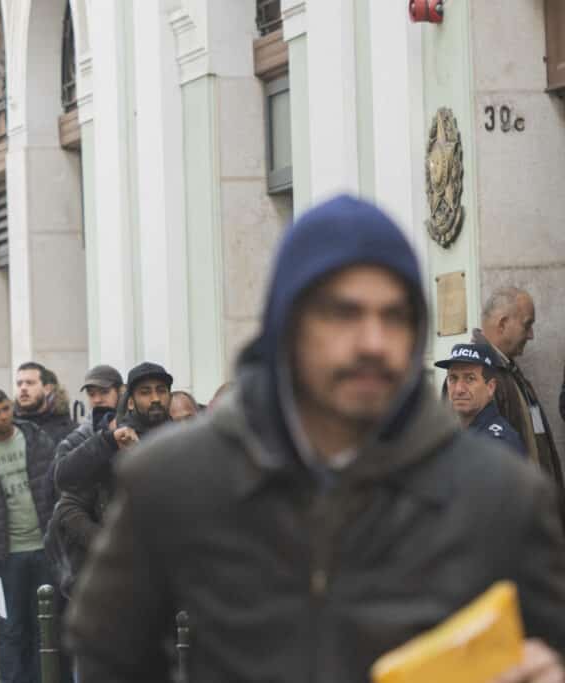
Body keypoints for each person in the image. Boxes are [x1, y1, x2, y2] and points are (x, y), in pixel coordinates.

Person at [65, 195, 565, 683]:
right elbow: (107, 650)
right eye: (343, 314)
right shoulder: (177, 477)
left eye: (394, 316)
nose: (372, 341)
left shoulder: (501, 492)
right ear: (287, 325)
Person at [49, 363, 172, 597]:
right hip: (123, 574)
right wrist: (105, 543)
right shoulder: (113, 441)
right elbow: (64, 483)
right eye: (145, 392)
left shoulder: (183, 440)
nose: (155, 398)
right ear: (131, 400)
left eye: (161, 390)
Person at [0, 387, 58, 683]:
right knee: (11, 628)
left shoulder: (37, 439)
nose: (4, 416)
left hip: (44, 547)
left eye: (6, 408)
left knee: (46, 627)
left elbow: (60, 488)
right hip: (5, 556)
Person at [473, 288, 565, 498]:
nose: (531, 335)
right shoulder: (474, 375)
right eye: (527, 324)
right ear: (503, 323)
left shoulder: (508, 369)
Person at [436, 343, 525, 455]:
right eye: (453, 378)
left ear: (490, 387)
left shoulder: (499, 445)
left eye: (470, 379)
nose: (459, 389)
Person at [14, 362, 76, 445]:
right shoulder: (6, 426)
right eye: (19, 384)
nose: (23, 388)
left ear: (47, 389)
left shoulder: (70, 432)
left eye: (30, 383)